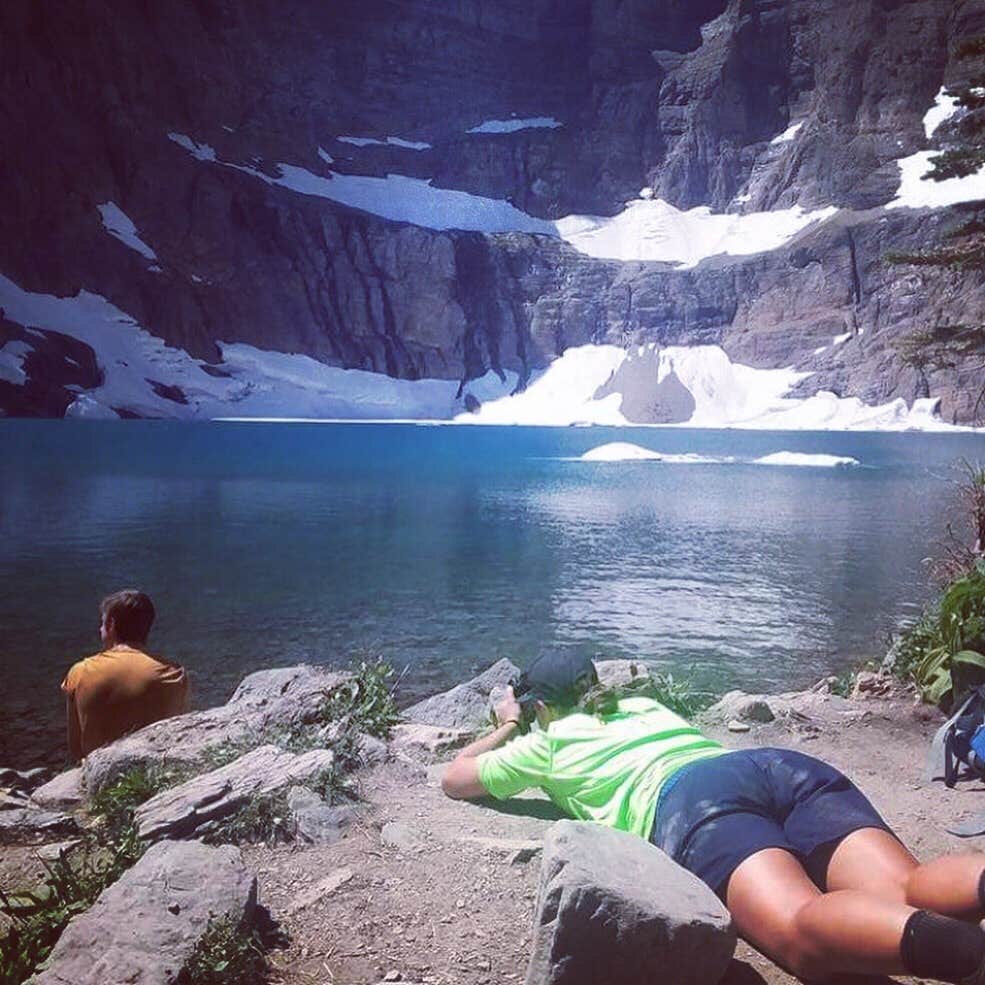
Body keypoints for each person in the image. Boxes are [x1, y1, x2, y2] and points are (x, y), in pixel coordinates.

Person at [442, 652, 985, 985]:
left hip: (694, 800)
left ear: (542, 707)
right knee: (909, 885)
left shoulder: (547, 743)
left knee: (800, 927)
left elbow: (454, 778)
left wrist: (508, 725)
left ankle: (969, 956)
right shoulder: (639, 706)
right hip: (774, 767)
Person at [62, 590, 189, 761]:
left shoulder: (80, 671)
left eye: (102, 623)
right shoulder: (174, 673)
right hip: (157, 768)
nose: (100, 629)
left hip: (99, 771)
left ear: (111, 625)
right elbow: (182, 735)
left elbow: (76, 749)